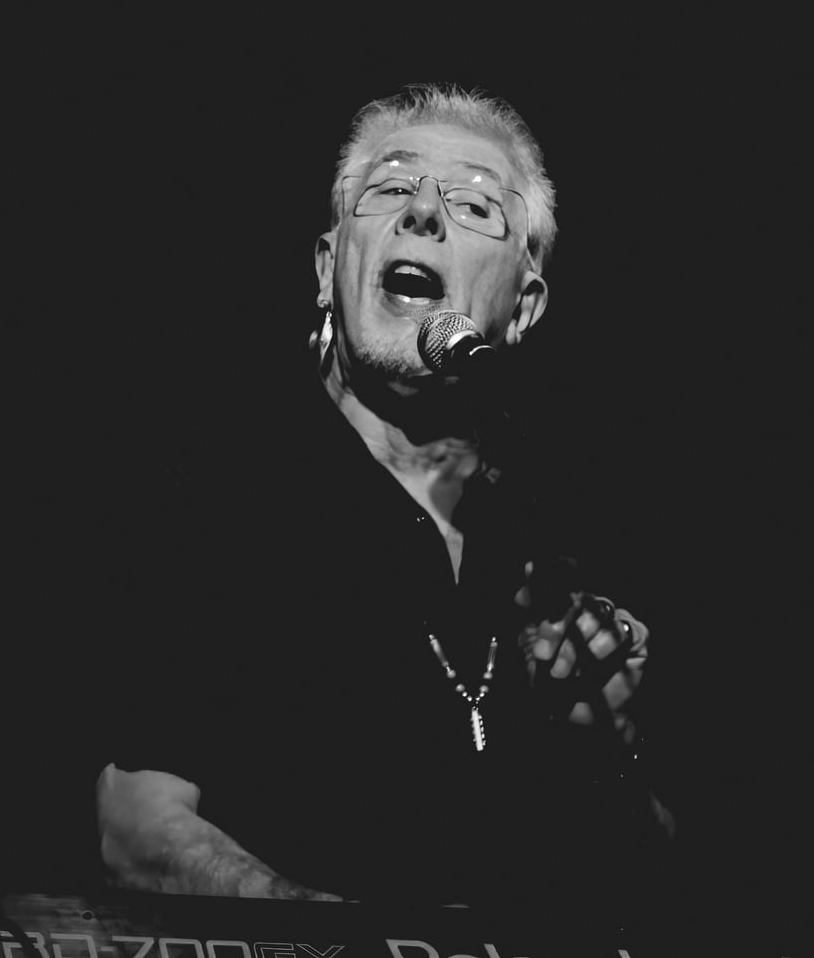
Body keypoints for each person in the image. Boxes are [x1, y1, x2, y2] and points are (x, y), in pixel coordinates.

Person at [97, 83, 675, 927]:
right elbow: (131, 826)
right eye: (392, 188)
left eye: (476, 204)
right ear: (330, 268)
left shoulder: (563, 532)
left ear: (524, 306)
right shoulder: (211, 499)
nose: (424, 215)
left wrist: (606, 757)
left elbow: (665, 872)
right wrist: (355, 940)